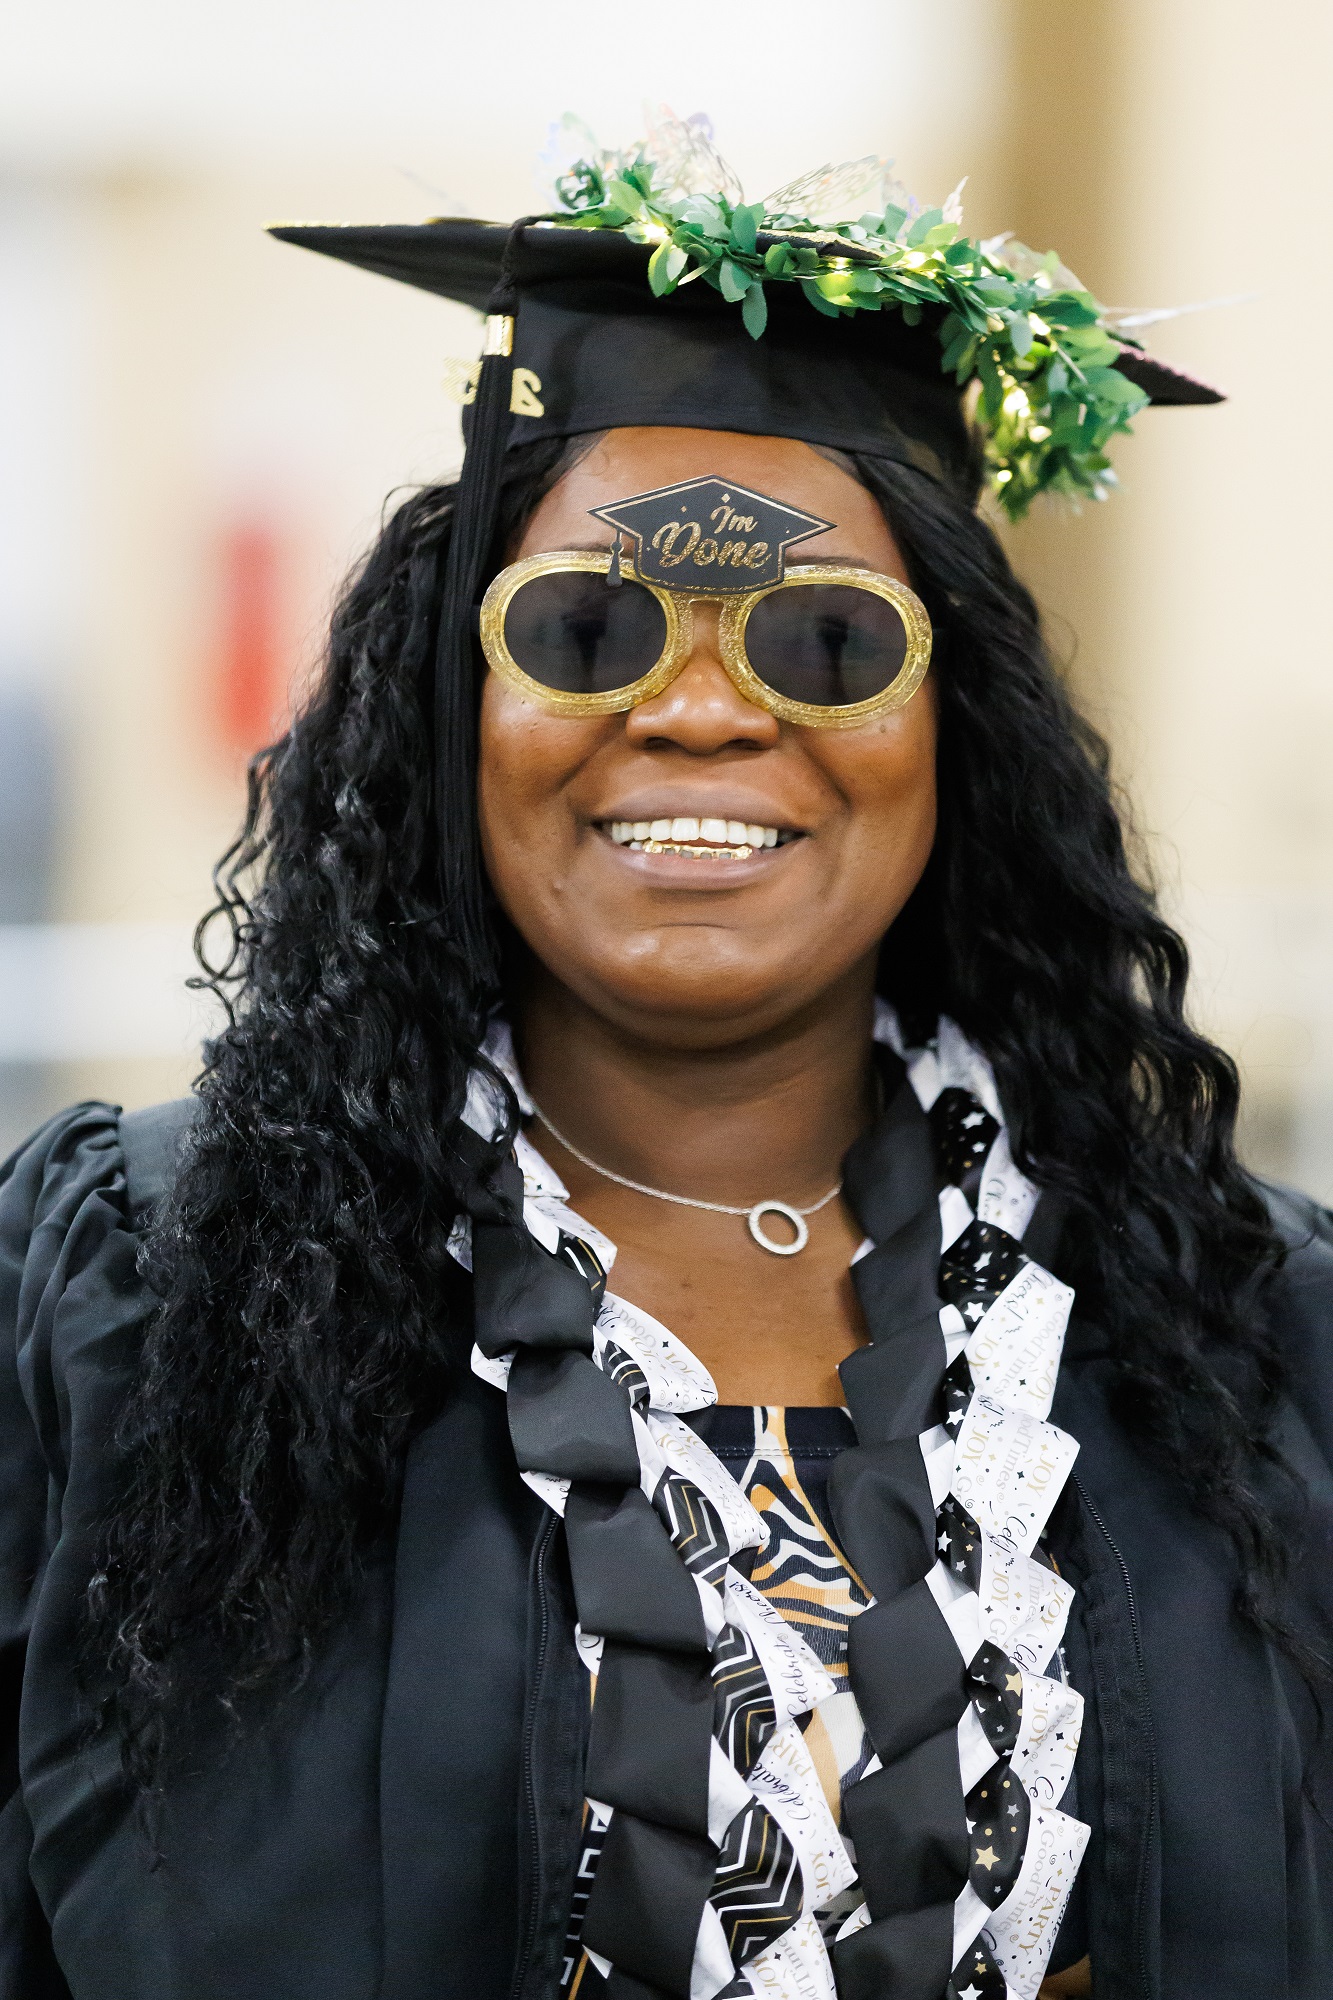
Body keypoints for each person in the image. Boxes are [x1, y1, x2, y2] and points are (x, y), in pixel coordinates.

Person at [0, 115, 1329, 2000]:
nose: (700, 708)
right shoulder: (143, 1290)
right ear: (453, 704)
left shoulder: (1235, 1334)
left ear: (962, 733)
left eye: (819, 641)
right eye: (590, 626)